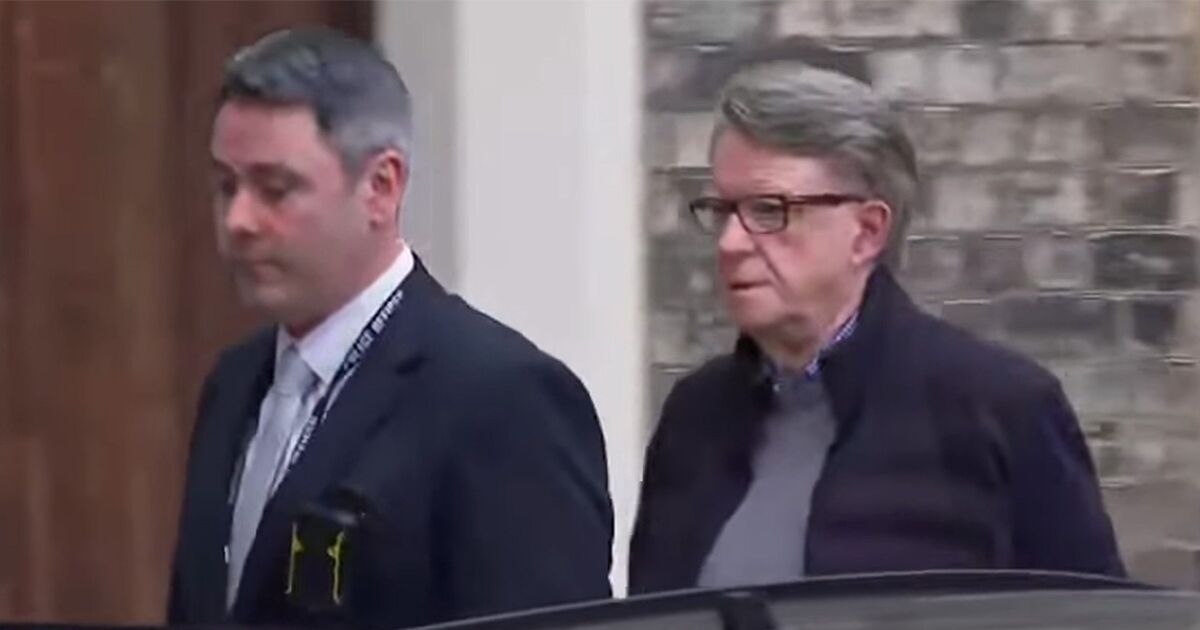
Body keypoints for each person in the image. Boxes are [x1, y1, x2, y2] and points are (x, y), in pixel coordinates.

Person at [168, 27, 612, 628]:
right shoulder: (235, 382)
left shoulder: (501, 398)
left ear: (381, 187)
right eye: (226, 187)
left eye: (275, 190)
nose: (239, 220)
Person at [628, 61, 1125, 594]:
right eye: (721, 211)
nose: (731, 243)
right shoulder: (695, 416)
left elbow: (1092, 615)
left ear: (867, 232)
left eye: (768, 211)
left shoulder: (999, 409)